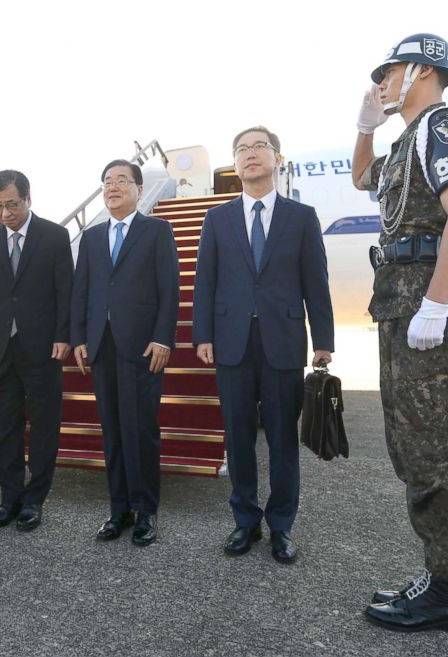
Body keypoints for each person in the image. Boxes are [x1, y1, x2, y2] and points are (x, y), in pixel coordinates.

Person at [352, 34, 448, 632]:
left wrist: (435, 303)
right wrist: (366, 125)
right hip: (399, 301)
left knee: (441, 450)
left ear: (421, 70)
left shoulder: (443, 123)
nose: (380, 84)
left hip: (433, 305)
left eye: (389, 73)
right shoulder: (407, 139)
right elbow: (363, 176)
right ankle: (439, 576)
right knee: (413, 448)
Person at [193, 126, 334, 563]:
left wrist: (324, 341)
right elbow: (205, 282)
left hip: (283, 341)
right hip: (232, 344)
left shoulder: (301, 216)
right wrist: (203, 335)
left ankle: (281, 526)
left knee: (281, 441)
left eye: (259, 147)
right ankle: (245, 521)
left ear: (277, 158)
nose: (250, 155)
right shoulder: (218, 219)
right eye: (242, 150)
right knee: (237, 438)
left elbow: (316, 281)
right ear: (235, 164)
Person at [70, 159, 179, 546]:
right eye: (107, 182)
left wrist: (164, 337)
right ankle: (119, 510)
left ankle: (146, 510)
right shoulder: (93, 237)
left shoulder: (156, 231)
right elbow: (81, 291)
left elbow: (170, 288)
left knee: (142, 429)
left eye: (121, 181)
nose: (113, 187)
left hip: (144, 347)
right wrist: (79, 338)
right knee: (112, 430)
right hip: (101, 345)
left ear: (137, 189)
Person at [0, 170, 73, 531]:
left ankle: (34, 500)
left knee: (44, 426)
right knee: (7, 425)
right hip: (0, 346)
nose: (4, 213)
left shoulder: (54, 236)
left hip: (43, 346)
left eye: (11, 204)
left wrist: (64, 335)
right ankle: (9, 498)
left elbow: (65, 290)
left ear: (28, 199)